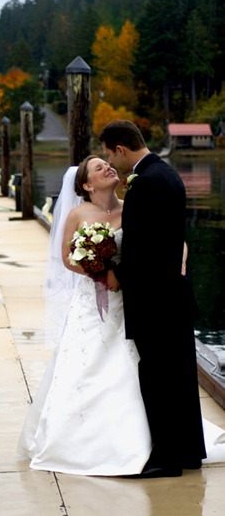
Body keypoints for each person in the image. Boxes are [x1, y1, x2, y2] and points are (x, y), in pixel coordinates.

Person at [17, 156, 153, 476]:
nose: (108, 167)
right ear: (87, 185)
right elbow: (66, 258)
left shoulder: (132, 207)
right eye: (98, 167)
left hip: (127, 302)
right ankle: (80, 442)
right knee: (86, 363)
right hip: (91, 303)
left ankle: (142, 439)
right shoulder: (78, 214)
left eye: (108, 163)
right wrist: (99, 272)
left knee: (129, 363)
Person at [99, 119, 207, 478]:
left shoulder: (146, 183)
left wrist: (117, 274)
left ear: (121, 148)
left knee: (158, 379)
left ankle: (166, 458)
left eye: (110, 156)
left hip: (154, 299)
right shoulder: (167, 173)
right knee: (179, 377)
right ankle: (189, 451)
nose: (112, 164)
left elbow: (143, 249)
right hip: (173, 293)